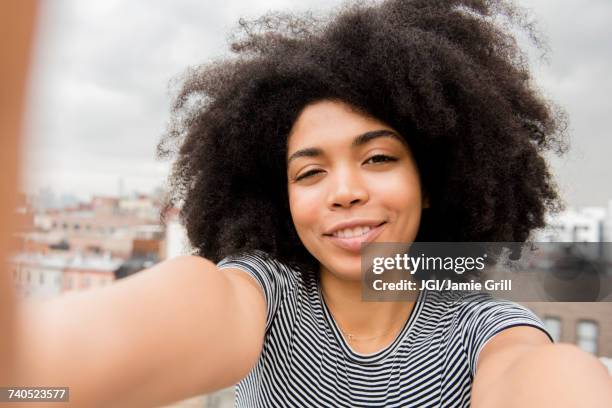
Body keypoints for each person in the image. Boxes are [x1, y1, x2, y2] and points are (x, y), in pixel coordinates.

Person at [7, 0, 612, 407]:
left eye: (378, 158)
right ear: (281, 197)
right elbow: (65, 365)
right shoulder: (264, 296)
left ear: (433, 185)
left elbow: (545, 382)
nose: (345, 191)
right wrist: (30, 385)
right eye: (310, 171)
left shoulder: (481, 328)